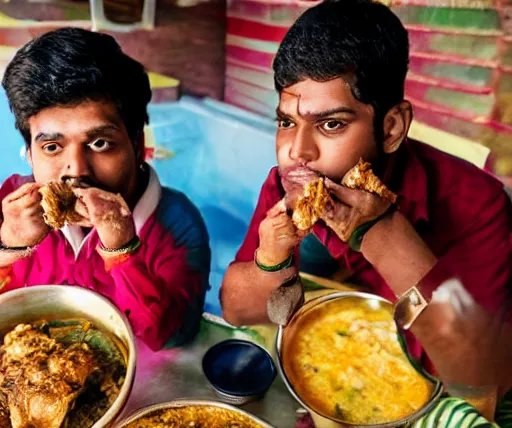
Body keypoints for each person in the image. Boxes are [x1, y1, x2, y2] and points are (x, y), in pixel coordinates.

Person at [220, 0, 512, 388]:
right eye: (286, 122)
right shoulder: (290, 183)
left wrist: (378, 232)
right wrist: (270, 260)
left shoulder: (478, 204)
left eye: (331, 124)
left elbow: (477, 372)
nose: (297, 151)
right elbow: (238, 312)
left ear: (391, 129)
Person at [0, 27, 211, 351]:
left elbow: (172, 337)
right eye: (53, 147)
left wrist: (123, 249)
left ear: (138, 146)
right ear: (30, 154)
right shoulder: (12, 203)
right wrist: (9, 248)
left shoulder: (178, 223)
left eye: (100, 143)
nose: (76, 169)